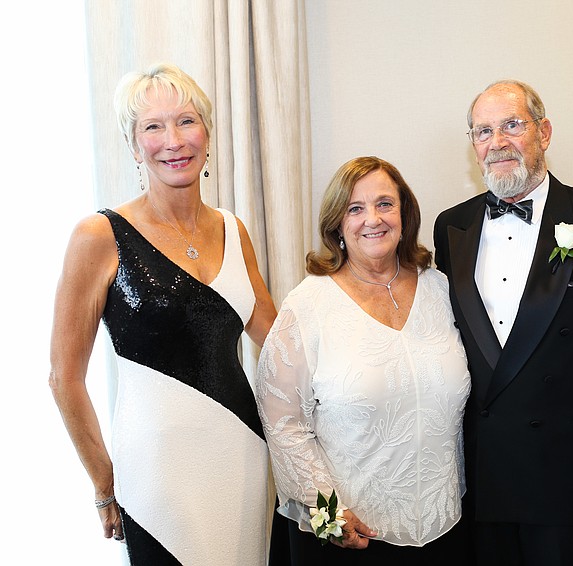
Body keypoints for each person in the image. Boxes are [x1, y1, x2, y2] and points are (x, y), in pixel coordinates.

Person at [49, 62, 278, 565]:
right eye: (152, 126)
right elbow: (64, 378)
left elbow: (283, 342)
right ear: (134, 147)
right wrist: (103, 483)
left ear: (207, 134)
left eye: (186, 121)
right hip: (156, 474)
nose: (173, 139)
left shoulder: (235, 230)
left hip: (240, 455)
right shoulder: (98, 236)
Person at [256, 156, 472, 565]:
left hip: (446, 529)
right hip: (351, 538)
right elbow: (283, 422)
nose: (372, 218)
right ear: (338, 224)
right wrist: (328, 515)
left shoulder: (442, 289)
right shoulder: (308, 304)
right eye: (355, 209)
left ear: (405, 214)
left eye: (385, 204)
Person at [433, 80, 573, 565]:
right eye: (483, 131)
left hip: (568, 475)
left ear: (544, 132)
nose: (497, 142)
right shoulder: (452, 226)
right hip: (484, 474)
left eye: (512, 125)